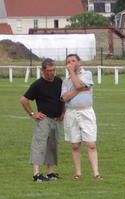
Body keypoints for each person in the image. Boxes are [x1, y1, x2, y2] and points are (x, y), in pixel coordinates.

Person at [20, 58, 64, 182]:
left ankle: (50, 172)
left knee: (53, 146)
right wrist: (33, 113)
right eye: (49, 70)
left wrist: (63, 112)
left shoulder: (59, 81)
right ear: (43, 70)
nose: (52, 73)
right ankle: (36, 174)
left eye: (54, 70)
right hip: (44, 119)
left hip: (57, 119)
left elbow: (62, 98)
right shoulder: (38, 84)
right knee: (39, 145)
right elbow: (24, 100)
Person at [60, 53, 102, 181]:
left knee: (91, 143)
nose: (71, 63)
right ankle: (78, 172)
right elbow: (64, 98)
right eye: (68, 61)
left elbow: (78, 85)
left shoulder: (87, 74)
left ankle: (96, 173)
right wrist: (79, 90)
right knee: (75, 145)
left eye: (73, 61)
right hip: (72, 113)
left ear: (79, 62)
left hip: (86, 111)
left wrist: (73, 76)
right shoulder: (65, 81)